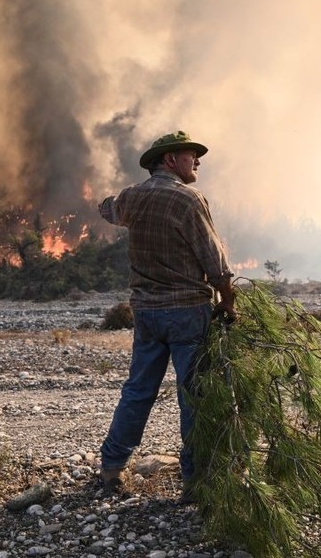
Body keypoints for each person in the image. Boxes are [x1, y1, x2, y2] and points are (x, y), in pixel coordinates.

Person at [97, 130, 236, 497]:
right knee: (193, 395)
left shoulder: (131, 198)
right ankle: (195, 481)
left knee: (138, 390)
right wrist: (227, 301)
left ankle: (112, 468)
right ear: (171, 159)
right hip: (187, 312)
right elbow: (215, 262)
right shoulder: (188, 200)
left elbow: (106, 207)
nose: (198, 162)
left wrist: (117, 200)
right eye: (192, 155)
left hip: (146, 313)